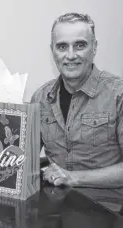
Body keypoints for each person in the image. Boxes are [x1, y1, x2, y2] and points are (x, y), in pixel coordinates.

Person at [31, 13, 123, 188]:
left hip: (109, 207)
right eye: (62, 46)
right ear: (52, 51)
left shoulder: (118, 94)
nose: (71, 55)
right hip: (55, 206)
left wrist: (73, 177)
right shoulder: (40, 98)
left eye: (80, 45)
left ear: (94, 47)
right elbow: (24, 158)